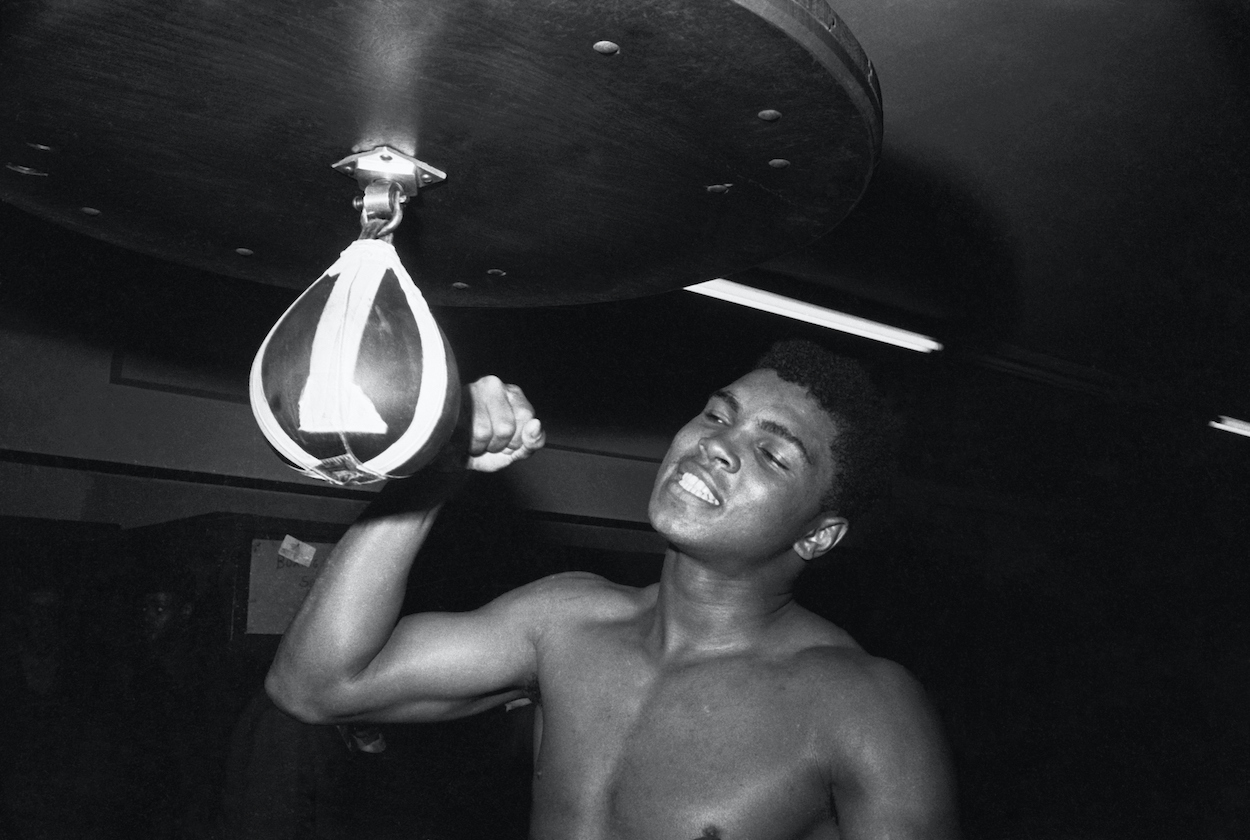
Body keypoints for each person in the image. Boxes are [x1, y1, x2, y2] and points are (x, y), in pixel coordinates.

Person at [267, 339, 960, 840]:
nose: (715, 445)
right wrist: (436, 470)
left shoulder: (864, 703)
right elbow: (316, 685)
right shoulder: (565, 622)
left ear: (818, 534)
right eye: (718, 416)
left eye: (773, 453)